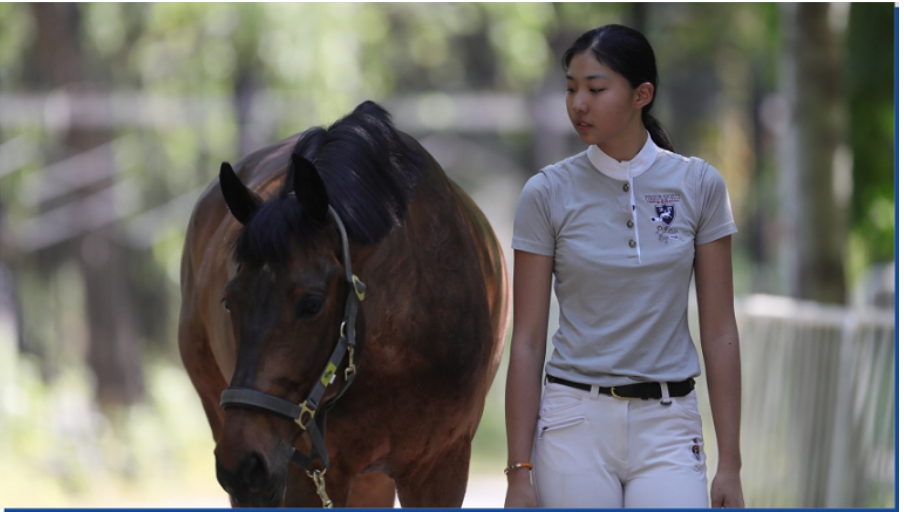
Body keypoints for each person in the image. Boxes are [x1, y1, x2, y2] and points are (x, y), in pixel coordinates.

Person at [503, 24, 744, 508]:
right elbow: (527, 342)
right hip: (572, 422)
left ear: (642, 94)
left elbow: (720, 332)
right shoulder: (546, 193)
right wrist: (517, 474)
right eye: (571, 89)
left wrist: (731, 467)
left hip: (669, 424)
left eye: (595, 88)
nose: (578, 104)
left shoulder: (700, 186)